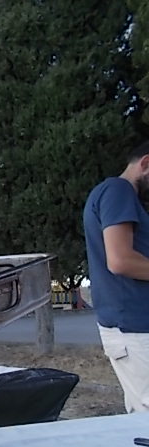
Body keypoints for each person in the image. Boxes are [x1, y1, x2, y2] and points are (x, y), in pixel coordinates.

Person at [83, 139, 149, 413]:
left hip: (133, 329)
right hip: (135, 330)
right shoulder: (118, 190)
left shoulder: (118, 195)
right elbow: (121, 261)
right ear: (146, 163)